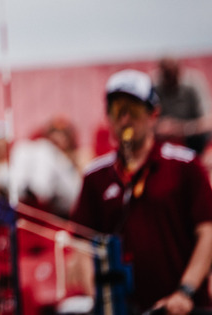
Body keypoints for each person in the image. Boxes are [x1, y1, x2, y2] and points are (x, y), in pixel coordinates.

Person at [71, 69, 212, 314]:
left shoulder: (185, 166)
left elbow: (208, 232)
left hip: (180, 309)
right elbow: (82, 244)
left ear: (153, 114)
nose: (124, 119)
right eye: (117, 111)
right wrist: (100, 299)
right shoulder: (95, 176)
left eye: (133, 111)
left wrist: (185, 291)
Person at [153, 57, 212, 155]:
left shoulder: (193, 84)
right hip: (162, 142)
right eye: (166, 74)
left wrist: (180, 128)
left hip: (193, 142)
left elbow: (207, 121)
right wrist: (158, 126)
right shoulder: (154, 87)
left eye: (171, 72)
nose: (169, 78)